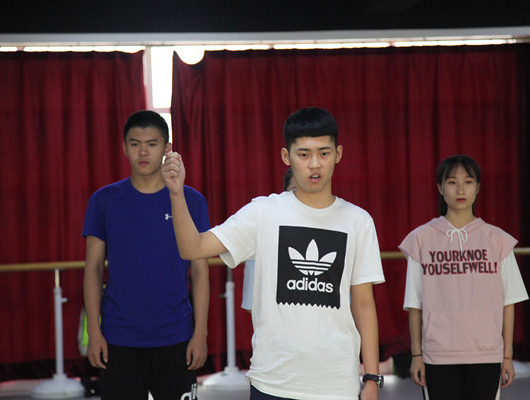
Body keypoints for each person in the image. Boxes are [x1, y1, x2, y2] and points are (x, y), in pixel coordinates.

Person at [162, 107, 385, 400]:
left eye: (324, 153)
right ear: (286, 157)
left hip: (337, 385)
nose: (314, 164)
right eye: (303, 154)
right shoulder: (263, 212)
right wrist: (176, 193)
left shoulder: (358, 221)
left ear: (338, 154)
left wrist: (371, 378)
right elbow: (193, 248)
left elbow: (364, 304)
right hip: (272, 383)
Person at [82, 110, 210, 400]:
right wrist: (95, 331)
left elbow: (200, 272)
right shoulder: (104, 201)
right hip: (118, 337)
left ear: (166, 148)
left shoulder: (191, 200)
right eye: (135, 143)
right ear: (124, 147)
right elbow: (93, 269)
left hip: (177, 335)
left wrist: (200, 332)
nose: (143, 152)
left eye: (152, 144)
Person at [399, 155, 529, 400]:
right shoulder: (420, 239)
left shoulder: (498, 240)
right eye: (452, 182)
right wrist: (417, 355)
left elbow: (508, 303)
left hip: (487, 354)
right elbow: (415, 305)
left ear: (478, 187)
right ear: (440, 187)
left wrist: (507, 356)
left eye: (468, 182)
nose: (460, 189)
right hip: (437, 354)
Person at [241, 168, 297, 313]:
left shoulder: (336, 229)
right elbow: (252, 303)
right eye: (295, 191)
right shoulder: (263, 234)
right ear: (284, 194)